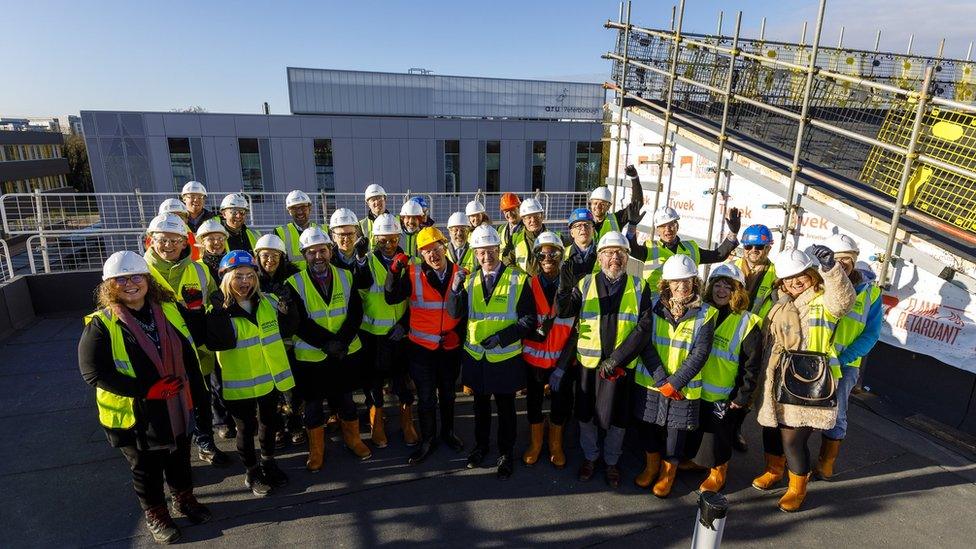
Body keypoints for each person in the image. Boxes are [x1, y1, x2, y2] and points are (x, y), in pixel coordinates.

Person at [79, 251, 211, 544]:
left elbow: (189, 353)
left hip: (175, 403)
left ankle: (183, 498)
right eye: (121, 279)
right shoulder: (102, 324)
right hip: (136, 414)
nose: (130, 284)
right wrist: (146, 390)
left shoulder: (168, 309)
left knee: (179, 457)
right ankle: (156, 513)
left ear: (148, 280)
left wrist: (200, 395)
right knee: (146, 468)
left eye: (136, 276)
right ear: (109, 285)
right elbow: (93, 373)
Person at [751, 246, 855, 512]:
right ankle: (774, 470)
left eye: (800, 276)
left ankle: (798, 487)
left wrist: (832, 269)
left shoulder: (823, 300)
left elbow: (843, 301)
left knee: (792, 440)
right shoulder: (778, 302)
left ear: (812, 274)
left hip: (808, 382)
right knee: (771, 430)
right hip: (775, 377)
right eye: (788, 278)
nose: (794, 282)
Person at [556, 231, 653, 487]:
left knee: (619, 418)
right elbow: (565, 310)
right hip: (589, 366)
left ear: (627, 257)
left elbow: (643, 328)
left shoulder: (639, 285)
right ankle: (590, 457)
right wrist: (564, 285)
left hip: (620, 367)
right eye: (609, 253)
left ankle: (611, 462)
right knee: (586, 414)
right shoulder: (585, 283)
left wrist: (618, 359)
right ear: (599, 258)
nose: (614, 258)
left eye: (620, 253)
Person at [206, 251, 297, 497]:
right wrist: (217, 314)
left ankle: (269, 462)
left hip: (269, 379)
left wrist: (288, 310)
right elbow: (219, 343)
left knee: (270, 423)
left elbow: (288, 329)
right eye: (238, 276)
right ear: (226, 278)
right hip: (239, 383)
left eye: (249, 275)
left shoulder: (267, 301)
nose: (245, 281)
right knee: (246, 430)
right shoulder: (217, 309)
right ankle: (252, 471)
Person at [448, 225, 535, 480]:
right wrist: (454, 290)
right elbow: (456, 314)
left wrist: (501, 337)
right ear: (475, 254)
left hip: (505, 357)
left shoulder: (518, 279)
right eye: (481, 252)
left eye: (491, 251)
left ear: (499, 249)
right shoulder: (470, 280)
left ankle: (506, 453)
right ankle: (481, 446)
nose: (486, 257)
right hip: (477, 357)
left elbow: (529, 319)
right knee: (480, 407)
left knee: (507, 409)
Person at [143, 213, 228, 467]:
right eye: (162, 239)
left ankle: (205, 442)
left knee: (201, 399)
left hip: (196, 348)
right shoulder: (140, 273)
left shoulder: (200, 270)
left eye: (174, 240)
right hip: (158, 353)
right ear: (150, 241)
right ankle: (171, 449)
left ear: (185, 242)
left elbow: (215, 300)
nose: (168, 245)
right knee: (164, 402)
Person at [630, 255, 716, 498]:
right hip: (651, 381)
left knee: (675, 433)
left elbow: (701, 353)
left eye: (687, 281)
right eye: (676, 282)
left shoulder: (706, 313)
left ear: (695, 282)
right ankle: (651, 467)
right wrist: (661, 380)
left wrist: (675, 382)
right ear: (666, 283)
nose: (682, 287)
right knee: (648, 427)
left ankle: (668, 474)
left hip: (683, 386)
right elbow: (645, 343)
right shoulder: (653, 305)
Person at [287, 227, 372, 470]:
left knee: (346, 400)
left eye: (322, 251)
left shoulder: (346, 276)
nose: (318, 257)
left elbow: (356, 312)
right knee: (313, 406)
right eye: (311, 252)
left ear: (330, 250)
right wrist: (327, 343)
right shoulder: (294, 283)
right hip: (313, 357)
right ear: (304, 255)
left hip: (343, 353)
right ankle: (316, 451)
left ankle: (354, 440)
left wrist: (342, 341)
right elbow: (299, 323)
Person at [385, 226, 466, 465]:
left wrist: (458, 336)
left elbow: (467, 312)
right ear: (421, 254)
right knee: (427, 397)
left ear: (444, 247)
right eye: (426, 251)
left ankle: (448, 433)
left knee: (449, 394)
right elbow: (391, 297)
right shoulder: (412, 274)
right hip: (421, 350)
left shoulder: (460, 273)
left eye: (436, 248)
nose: (433, 254)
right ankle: (428, 440)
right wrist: (393, 272)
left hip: (449, 349)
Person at [683, 264, 762, 493]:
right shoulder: (702, 312)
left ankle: (719, 472)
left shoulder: (747, 322)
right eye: (717, 284)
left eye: (727, 287)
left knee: (719, 435)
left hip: (724, 393)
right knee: (698, 430)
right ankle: (698, 463)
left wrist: (743, 395)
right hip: (697, 388)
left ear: (737, 291)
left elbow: (752, 365)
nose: (721, 290)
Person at [817, 233, 882, 479]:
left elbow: (871, 334)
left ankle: (826, 461)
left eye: (847, 258)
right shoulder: (818, 282)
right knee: (798, 408)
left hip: (844, 365)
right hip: (813, 359)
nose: (842, 263)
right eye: (836, 258)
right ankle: (791, 461)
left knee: (837, 413)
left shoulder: (870, 294)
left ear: (854, 261)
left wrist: (843, 359)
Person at [359, 213, 420, 448]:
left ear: (399, 238)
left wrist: (404, 325)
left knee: (402, 380)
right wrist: (360, 259)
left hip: (400, 334)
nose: (388, 245)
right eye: (383, 241)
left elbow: (416, 300)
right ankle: (378, 425)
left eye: (392, 240)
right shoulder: (367, 262)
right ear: (375, 239)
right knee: (374, 382)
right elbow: (360, 293)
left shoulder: (410, 262)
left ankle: (407, 424)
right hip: (372, 334)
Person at [519, 232, 576, 469]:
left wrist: (562, 367)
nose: (548, 257)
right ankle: (535, 444)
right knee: (533, 403)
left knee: (561, 404)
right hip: (533, 360)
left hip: (562, 361)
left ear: (561, 255)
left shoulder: (574, 287)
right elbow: (522, 320)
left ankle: (555, 445)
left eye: (553, 252)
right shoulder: (528, 285)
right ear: (536, 257)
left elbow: (577, 330)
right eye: (542, 253)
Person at [730, 224, 778, 453]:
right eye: (748, 245)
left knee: (748, 387)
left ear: (768, 248)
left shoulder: (778, 276)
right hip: (729, 334)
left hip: (757, 338)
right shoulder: (730, 269)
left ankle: (734, 430)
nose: (753, 250)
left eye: (759, 246)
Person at [253, 234, 304, 447]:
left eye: (275, 256)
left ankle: (294, 425)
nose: (270, 260)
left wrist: (288, 306)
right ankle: (276, 428)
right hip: (263, 346)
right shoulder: (251, 278)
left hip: (289, 342)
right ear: (257, 257)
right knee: (269, 393)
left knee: (292, 389)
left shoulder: (293, 276)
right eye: (265, 256)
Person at [628, 206, 741, 291]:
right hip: (655, 302)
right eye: (663, 226)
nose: (668, 230)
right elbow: (631, 248)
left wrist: (733, 233)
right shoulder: (650, 248)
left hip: (685, 302)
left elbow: (718, 255)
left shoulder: (691, 248)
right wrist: (632, 225)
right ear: (657, 230)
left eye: (671, 225)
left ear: (677, 226)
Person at [194, 219, 236, 440]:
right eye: (210, 239)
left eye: (220, 238)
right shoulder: (198, 268)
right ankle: (221, 420)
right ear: (202, 242)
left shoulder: (232, 262)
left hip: (232, 322)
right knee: (216, 379)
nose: (216, 242)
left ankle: (237, 416)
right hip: (210, 325)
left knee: (233, 373)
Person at [502, 197, 561, 276]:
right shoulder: (514, 239)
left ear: (542, 216)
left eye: (536, 216)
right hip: (524, 285)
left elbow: (564, 262)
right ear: (523, 220)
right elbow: (507, 262)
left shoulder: (556, 238)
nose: (533, 220)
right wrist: (525, 279)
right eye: (529, 217)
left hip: (549, 285)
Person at [589, 164, 644, 241]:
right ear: (590, 204)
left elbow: (637, 203)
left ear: (609, 206)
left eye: (602, 204)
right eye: (595, 203)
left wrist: (634, 178)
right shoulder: (584, 220)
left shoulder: (617, 219)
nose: (598, 206)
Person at [274, 190, 327, 269]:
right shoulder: (280, 232)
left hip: (320, 278)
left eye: (303, 207)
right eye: (294, 208)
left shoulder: (324, 229)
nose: (299, 212)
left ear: (310, 208)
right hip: (293, 279)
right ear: (289, 211)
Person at [564, 208, 599, 276]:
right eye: (578, 226)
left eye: (587, 225)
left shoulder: (602, 253)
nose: (583, 228)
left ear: (593, 230)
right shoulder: (563, 255)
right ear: (572, 233)